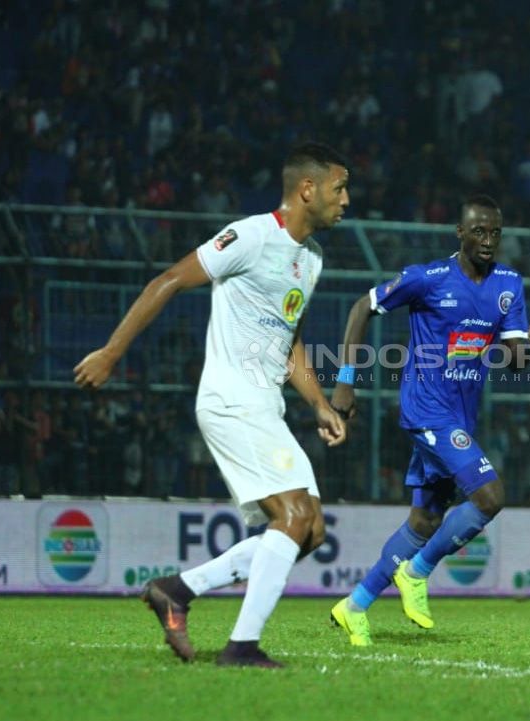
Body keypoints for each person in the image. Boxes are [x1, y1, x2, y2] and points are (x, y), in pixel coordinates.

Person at [74, 142, 351, 668]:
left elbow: (288, 336)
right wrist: (112, 353)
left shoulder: (311, 259)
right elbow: (171, 280)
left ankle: (176, 590)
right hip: (230, 399)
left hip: (264, 404)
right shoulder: (250, 236)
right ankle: (241, 648)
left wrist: (317, 402)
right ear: (307, 189)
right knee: (293, 516)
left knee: (308, 530)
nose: (347, 199)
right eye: (339, 188)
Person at [327, 194, 530, 646]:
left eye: (495, 233)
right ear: (460, 233)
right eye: (479, 232)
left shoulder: (509, 283)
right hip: (426, 410)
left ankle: (354, 606)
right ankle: (418, 572)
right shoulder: (427, 279)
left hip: (460, 418)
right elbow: (360, 309)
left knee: (425, 520)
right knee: (490, 496)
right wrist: (346, 381)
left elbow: (511, 362)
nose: (488, 241)